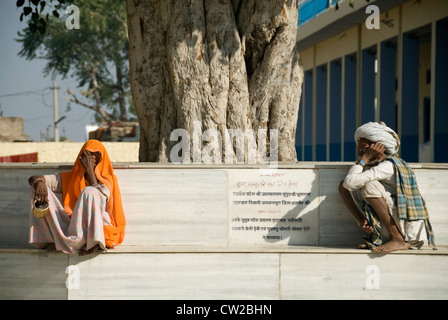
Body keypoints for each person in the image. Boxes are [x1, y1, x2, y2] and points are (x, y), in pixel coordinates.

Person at [339, 121, 436, 253]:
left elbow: (351, 181)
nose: (360, 153)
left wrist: (364, 159)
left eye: (364, 148)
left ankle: (398, 240)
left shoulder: (388, 166)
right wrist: (361, 220)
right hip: (388, 225)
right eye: (358, 149)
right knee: (344, 186)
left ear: (378, 148)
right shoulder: (371, 166)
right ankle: (380, 237)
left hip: (406, 231)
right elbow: (345, 185)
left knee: (369, 185)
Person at [28, 139, 126, 255]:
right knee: (36, 188)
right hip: (73, 226)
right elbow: (33, 178)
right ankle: (49, 240)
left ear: (102, 159)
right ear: (81, 157)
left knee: (90, 191)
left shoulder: (107, 181)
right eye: (88, 154)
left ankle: (93, 242)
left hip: (99, 227)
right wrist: (39, 183)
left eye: (96, 154)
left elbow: (99, 197)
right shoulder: (71, 178)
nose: (92, 157)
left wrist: (90, 171)